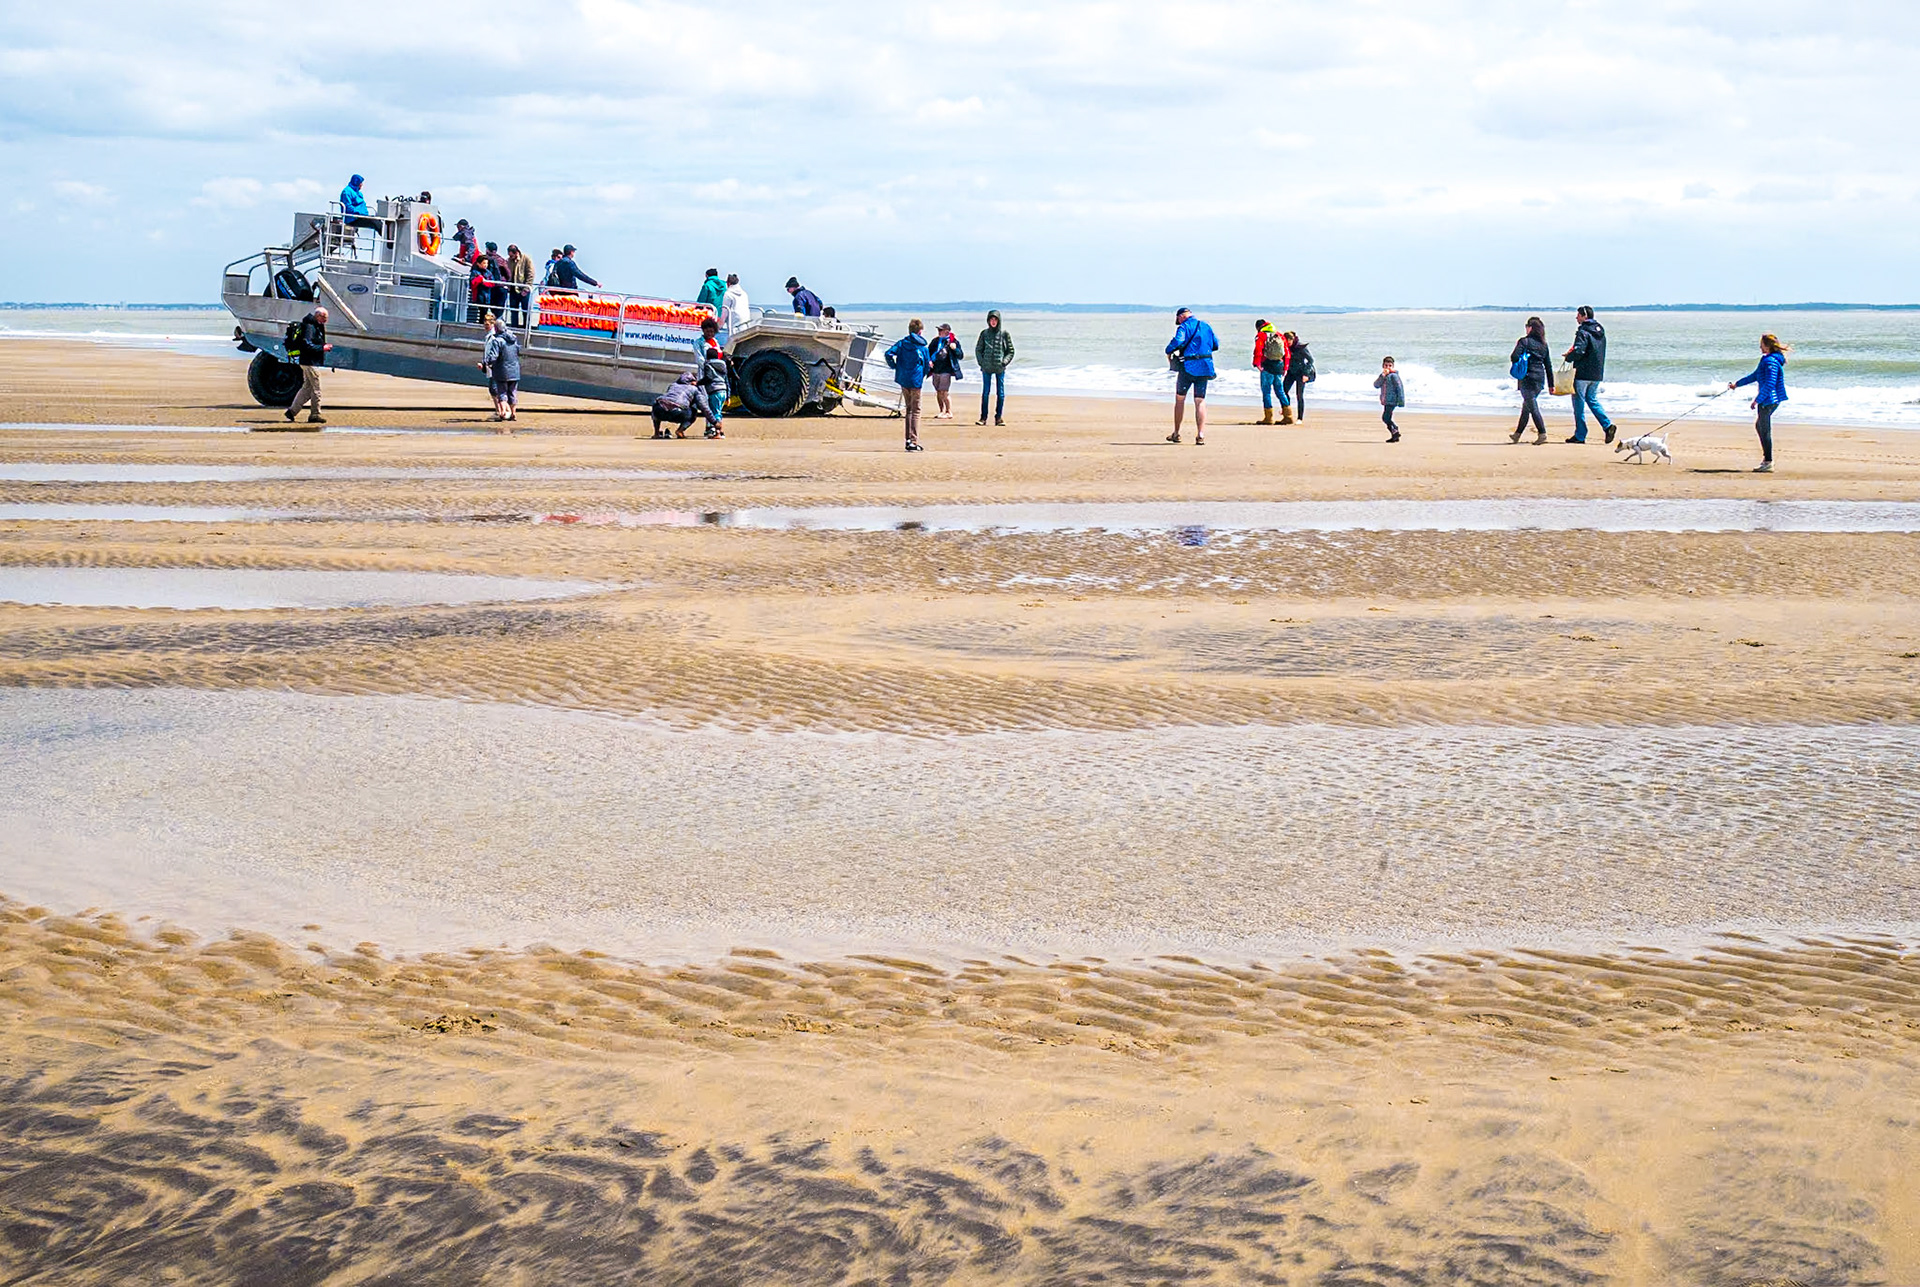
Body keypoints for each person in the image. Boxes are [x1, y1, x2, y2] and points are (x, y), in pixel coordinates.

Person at [1730, 334, 1790, 473]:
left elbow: (1770, 383)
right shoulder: (1766, 360)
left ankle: (1768, 462)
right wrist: (1737, 384)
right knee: (1760, 426)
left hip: (1769, 400)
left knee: (1764, 428)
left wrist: (1758, 399)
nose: (1759, 347)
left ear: (1767, 346)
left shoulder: (1771, 362)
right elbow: (1754, 376)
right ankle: (1767, 460)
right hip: (1768, 399)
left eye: (1761, 344)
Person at [1163, 307, 1219, 446]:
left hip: (1187, 367)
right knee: (1200, 401)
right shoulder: (1206, 325)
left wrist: (1168, 350)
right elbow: (1215, 344)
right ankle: (1200, 434)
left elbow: (1178, 341)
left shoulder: (1184, 326)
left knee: (1180, 399)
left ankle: (1176, 433)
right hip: (1205, 366)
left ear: (1181, 316)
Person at [1563, 306, 1616, 444]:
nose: (1576, 318)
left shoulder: (1583, 331)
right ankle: (1607, 425)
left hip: (1582, 373)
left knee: (1578, 403)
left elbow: (1580, 351)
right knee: (1592, 400)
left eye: (1578, 315)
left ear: (1584, 316)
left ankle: (1580, 435)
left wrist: (1569, 356)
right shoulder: (1600, 331)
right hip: (1597, 373)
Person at [885, 318, 934, 451]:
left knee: (909, 409)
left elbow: (888, 354)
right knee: (916, 410)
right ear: (919, 332)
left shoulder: (902, 343)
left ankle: (908, 439)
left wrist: (895, 366)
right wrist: (922, 375)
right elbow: (927, 365)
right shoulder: (922, 347)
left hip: (904, 379)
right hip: (915, 381)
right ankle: (913, 440)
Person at [283, 306, 330, 425]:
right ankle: (315, 414)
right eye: (324, 318)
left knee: (307, 387)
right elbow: (307, 345)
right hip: (309, 362)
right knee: (316, 388)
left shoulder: (313, 325)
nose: (326, 320)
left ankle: (292, 411)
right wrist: (322, 348)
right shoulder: (310, 327)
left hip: (307, 361)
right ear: (318, 315)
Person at [1508, 316, 1551, 444]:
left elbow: (1514, 357)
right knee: (1526, 407)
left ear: (1530, 328)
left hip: (1527, 378)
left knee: (1532, 406)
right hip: (1540, 378)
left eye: (1527, 326)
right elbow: (1548, 365)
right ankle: (1517, 434)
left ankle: (1542, 433)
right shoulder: (1543, 344)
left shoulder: (1524, 342)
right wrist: (1551, 384)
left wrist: (1522, 359)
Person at [479, 315, 521, 428]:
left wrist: (484, 363)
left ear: (496, 328)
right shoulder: (513, 339)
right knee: (512, 392)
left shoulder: (498, 341)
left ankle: (502, 413)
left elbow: (493, 356)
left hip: (502, 370)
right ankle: (513, 413)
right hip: (515, 371)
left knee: (502, 392)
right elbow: (518, 352)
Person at [974, 310, 1014, 425]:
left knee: (1000, 393)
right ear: (988, 320)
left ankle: (999, 417)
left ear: (999, 320)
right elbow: (978, 349)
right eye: (991, 319)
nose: (993, 321)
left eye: (995, 319)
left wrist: (1004, 362)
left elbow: (1010, 351)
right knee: (985, 393)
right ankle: (983, 418)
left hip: (999, 368)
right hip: (986, 368)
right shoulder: (984, 334)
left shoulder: (1004, 334)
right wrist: (981, 363)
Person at [693, 318, 728, 438]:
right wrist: (709, 367)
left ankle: (716, 428)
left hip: (717, 378)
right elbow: (699, 359)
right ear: (703, 330)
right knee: (707, 403)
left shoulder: (715, 342)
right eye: (708, 331)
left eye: (712, 332)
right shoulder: (698, 343)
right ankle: (710, 427)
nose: (710, 334)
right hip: (706, 375)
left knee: (714, 405)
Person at [1253, 320, 1292, 425]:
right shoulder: (1279, 334)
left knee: (1266, 392)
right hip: (1279, 366)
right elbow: (1287, 352)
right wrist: (1286, 367)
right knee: (1280, 391)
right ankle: (1288, 416)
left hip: (1267, 366)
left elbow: (1258, 350)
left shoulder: (1261, 335)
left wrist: (1257, 364)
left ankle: (1268, 418)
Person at [927, 323, 965, 419]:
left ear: (947, 332)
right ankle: (941, 411)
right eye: (938, 330)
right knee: (938, 391)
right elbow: (928, 352)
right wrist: (929, 361)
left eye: (941, 330)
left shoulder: (953, 341)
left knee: (944, 391)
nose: (939, 332)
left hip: (946, 370)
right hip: (935, 370)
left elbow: (960, 356)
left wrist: (955, 349)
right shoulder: (935, 341)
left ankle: (948, 411)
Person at [650, 371, 703, 439]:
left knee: (656, 405)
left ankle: (656, 433)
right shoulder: (694, 389)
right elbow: (703, 407)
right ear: (692, 381)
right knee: (694, 411)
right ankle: (680, 430)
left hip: (660, 411)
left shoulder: (673, 385)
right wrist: (714, 422)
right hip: (679, 413)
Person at [1282, 331, 1313, 421]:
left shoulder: (1301, 347)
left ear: (1292, 339)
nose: (1287, 344)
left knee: (1299, 395)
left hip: (1301, 373)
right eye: (1285, 342)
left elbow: (1310, 360)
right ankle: (1287, 412)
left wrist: (1306, 374)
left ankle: (1300, 418)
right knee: (1284, 390)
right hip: (1291, 372)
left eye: (1289, 342)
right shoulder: (1286, 348)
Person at [1374, 356, 1405, 443]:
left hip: (1392, 400)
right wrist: (1382, 376)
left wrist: (1401, 401)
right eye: (1386, 365)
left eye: (1390, 365)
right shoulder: (1383, 376)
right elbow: (1376, 385)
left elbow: (1400, 388)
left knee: (1386, 418)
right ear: (1383, 366)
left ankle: (1395, 430)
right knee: (1387, 418)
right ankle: (1395, 434)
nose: (1388, 367)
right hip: (1386, 400)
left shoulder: (1394, 376)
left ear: (1393, 366)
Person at [467, 258, 506, 324]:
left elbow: (492, 283)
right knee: (480, 310)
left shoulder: (488, 273)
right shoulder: (475, 272)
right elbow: (473, 283)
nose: (486, 265)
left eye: (487, 263)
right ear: (478, 264)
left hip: (487, 295)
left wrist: (483, 282)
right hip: (478, 294)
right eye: (484, 263)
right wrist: (480, 279)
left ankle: (482, 323)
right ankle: (480, 323)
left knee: (484, 311)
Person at [506, 244, 533, 327]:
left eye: (512, 255)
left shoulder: (526, 259)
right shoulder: (508, 261)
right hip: (513, 289)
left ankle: (526, 327)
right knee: (513, 310)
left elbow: (530, 274)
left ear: (516, 253)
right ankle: (514, 327)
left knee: (525, 311)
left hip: (524, 289)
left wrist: (526, 288)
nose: (511, 257)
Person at [719, 273, 750, 343]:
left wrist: (718, 327)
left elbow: (724, 312)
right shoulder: (744, 294)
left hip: (734, 322)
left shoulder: (728, 294)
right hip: (745, 321)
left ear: (728, 283)